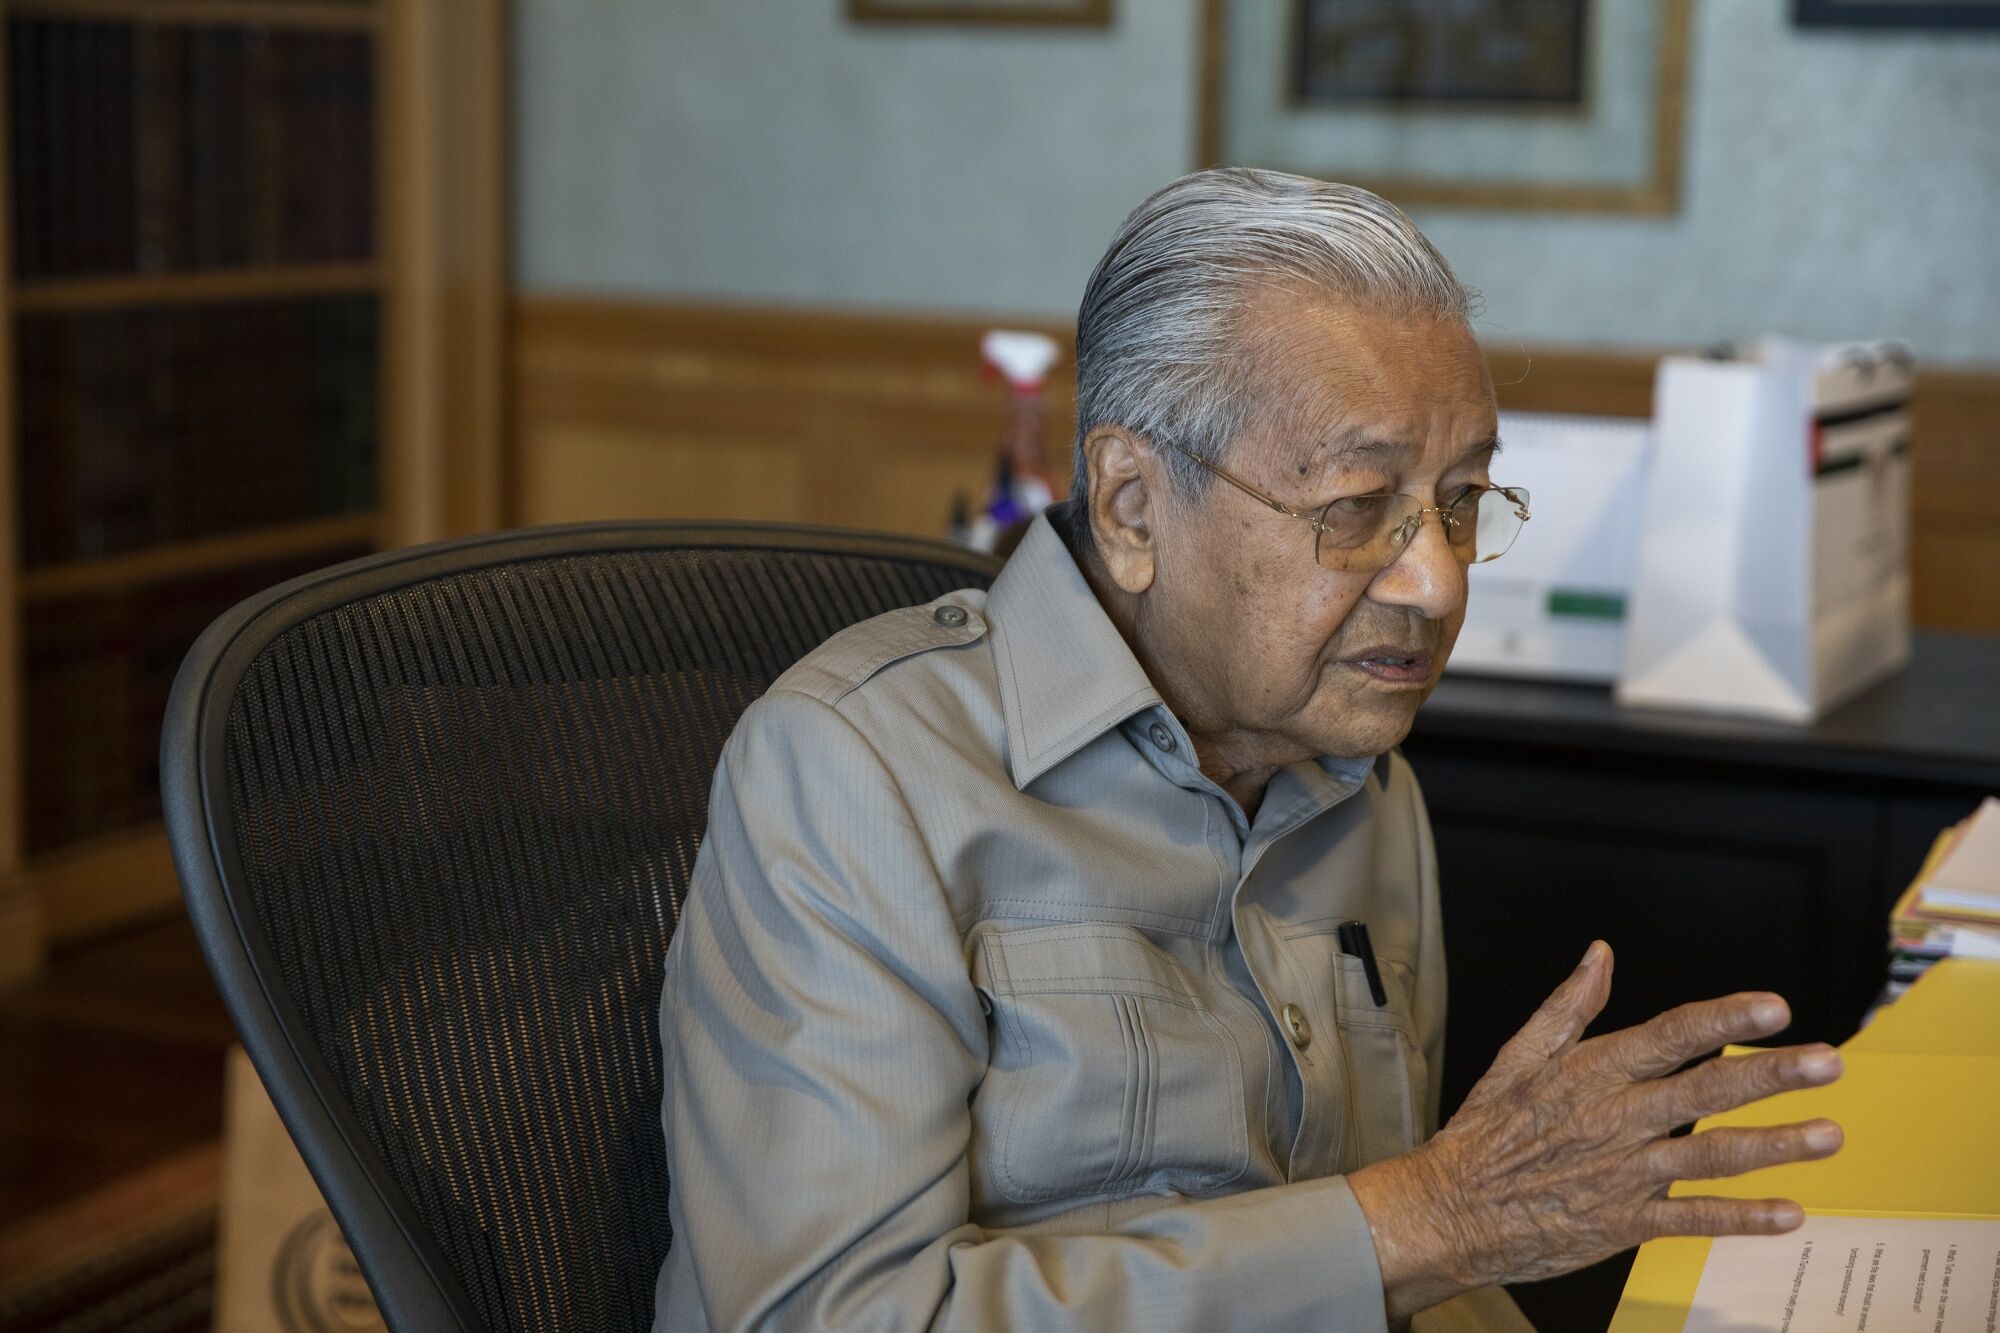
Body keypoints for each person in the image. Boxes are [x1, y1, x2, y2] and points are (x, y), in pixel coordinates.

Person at [652, 167, 1845, 1332]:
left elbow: (1418, 1263)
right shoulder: (853, 773)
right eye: (1354, 508)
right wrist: (1428, 1220)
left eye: (1461, 502)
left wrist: (1460, 1222)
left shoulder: (1364, 784)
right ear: (1131, 506)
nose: (1435, 585)